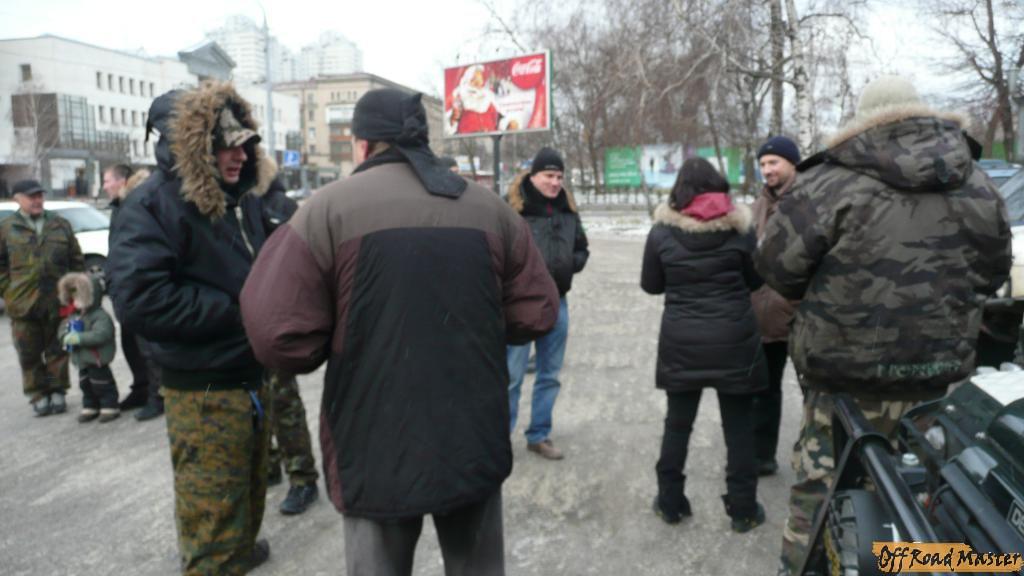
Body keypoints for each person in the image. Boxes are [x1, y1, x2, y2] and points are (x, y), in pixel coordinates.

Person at [240, 87, 558, 576]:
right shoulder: (491, 209)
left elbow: (276, 334)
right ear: (421, 140)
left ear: (363, 145)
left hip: (374, 443)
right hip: (472, 437)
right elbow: (537, 312)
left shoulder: (326, 210)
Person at [756, 76, 1012, 575]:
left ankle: (808, 568)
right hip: (935, 379)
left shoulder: (828, 181)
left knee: (821, 489)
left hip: (842, 382)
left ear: (863, 119)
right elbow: (993, 271)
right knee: (921, 490)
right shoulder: (976, 181)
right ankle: (904, 564)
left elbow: (776, 269)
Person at [107, 82, 280, 575]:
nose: (240, 155)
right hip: (204, 389)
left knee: (247, 489)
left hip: (249, 376)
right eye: (227, 145)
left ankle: (239, 550)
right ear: (193, 145)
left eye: (246, 143)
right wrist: (240, 308)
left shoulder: (240, 199)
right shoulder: (151, 206)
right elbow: (140, 300)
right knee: (211, 513)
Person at [641, 157, 768, 533]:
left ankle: (670, 503)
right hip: (734, 340)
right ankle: (743, 510)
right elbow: (756, 280)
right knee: (739, 427)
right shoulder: (741, 230)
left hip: (682, 340)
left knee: (677, 425)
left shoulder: (661, 232)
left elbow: (651, 285)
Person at [505, 147, 589, 460]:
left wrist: (569, 263)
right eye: (548, 176)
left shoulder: (567, 209)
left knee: (550, 375)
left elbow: (582, 248)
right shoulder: (512, 209)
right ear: (533, 176)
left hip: (557, 302)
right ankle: (500, 438)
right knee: (511, 376)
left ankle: (538, 435)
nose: (555, 182)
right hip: (519, 304)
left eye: (559, 176)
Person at [0, 179, 84, 416]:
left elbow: (76, 261)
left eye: (40, 195)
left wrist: (74, 291)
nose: (37, 200)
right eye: (31, 196)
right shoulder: (7, 228)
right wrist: (8, 291)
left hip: (57, 300)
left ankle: (57, 390)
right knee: (29, 352)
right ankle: (37, 393)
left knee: (58, 349)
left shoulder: (60, 224)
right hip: (22, 304)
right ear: (17, 198)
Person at [750, 136, 801, 477]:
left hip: (804, 318)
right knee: (765, 391)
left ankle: (817, 461)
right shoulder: (758, 205)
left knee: (817, 395)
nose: (767, 170)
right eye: (763, 164)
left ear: (792, 163)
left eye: (774, 162)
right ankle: (762, 457)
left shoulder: (810, 201)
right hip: (764, 317)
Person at [103, 164, 158, 415]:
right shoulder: (120, 206)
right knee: (130, 344)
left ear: (122, 181)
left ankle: (157, 396)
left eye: (107, 181)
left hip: (141, 287)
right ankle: (141, 389)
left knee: (148, 347)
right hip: (125, 289)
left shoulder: (139, 203)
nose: (104, 186)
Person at [57, 272, 119, 423]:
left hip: (97, 358)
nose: (74, 296)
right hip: (81, 359)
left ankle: (109, 405)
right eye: (71, 293)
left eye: (77, 292)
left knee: (102, 383)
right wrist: (65, 336)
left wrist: (79, 338)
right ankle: (90, 405)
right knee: (85, 384)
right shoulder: (73, 315)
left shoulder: (99, 315)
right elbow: (62, 330)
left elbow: (102, 334)